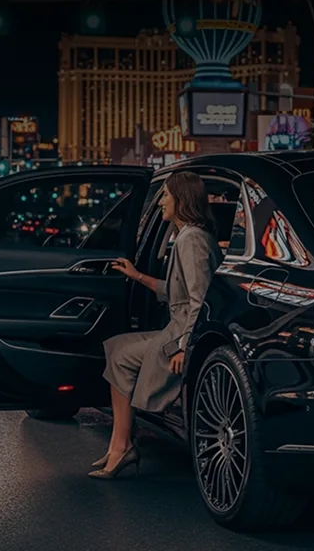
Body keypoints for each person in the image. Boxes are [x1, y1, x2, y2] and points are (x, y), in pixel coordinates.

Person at [87, 173, 220, 479]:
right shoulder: (188, 236)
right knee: (117, 348)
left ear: (182, 201)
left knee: (120, 354)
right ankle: (118, 445)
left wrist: (185, 347)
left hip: (182, 333)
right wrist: (136, 276)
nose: (161, 201)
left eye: (166, 196)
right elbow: (177, 291)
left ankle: (121, 447)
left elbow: (199, 301)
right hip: (176, 328)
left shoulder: (192, 240)